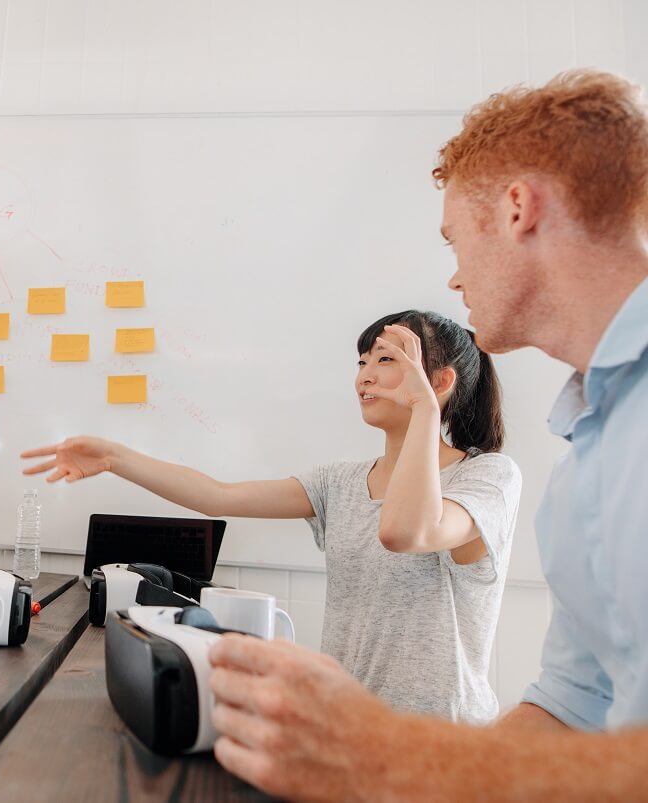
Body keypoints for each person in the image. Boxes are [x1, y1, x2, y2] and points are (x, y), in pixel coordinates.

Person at [203, 69, 648, 801]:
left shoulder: (502, 474)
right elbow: (570, 710)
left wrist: (388, 751)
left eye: (454, 239)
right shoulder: (586, 455)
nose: (453, 277)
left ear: (516, 209)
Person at [23, 309, 520, 723]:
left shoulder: (487, 478)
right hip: (345, 726)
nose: (364, 375)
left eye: (386, 360)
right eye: (362, 361)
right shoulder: (340, 481)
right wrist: (116, 458)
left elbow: (405, 530)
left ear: (440, 382)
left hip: (443, 743)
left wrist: (426, 412)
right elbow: (219, 496)